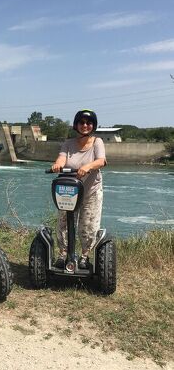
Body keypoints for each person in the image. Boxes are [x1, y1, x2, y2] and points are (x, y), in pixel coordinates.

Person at [51, 109, 106, 269]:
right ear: (76, 125)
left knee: (88, 225)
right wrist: (58, 165)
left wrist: (88, 166)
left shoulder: (97, 142)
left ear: (93, 125)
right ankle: (63, 254)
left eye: (88, 123)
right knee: (63, 224)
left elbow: (101, 161)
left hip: (90, 191)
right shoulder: (68, 144)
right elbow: (61, 158)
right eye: (81, 122)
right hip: (69, 191)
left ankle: (84, 256)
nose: (85, 125)